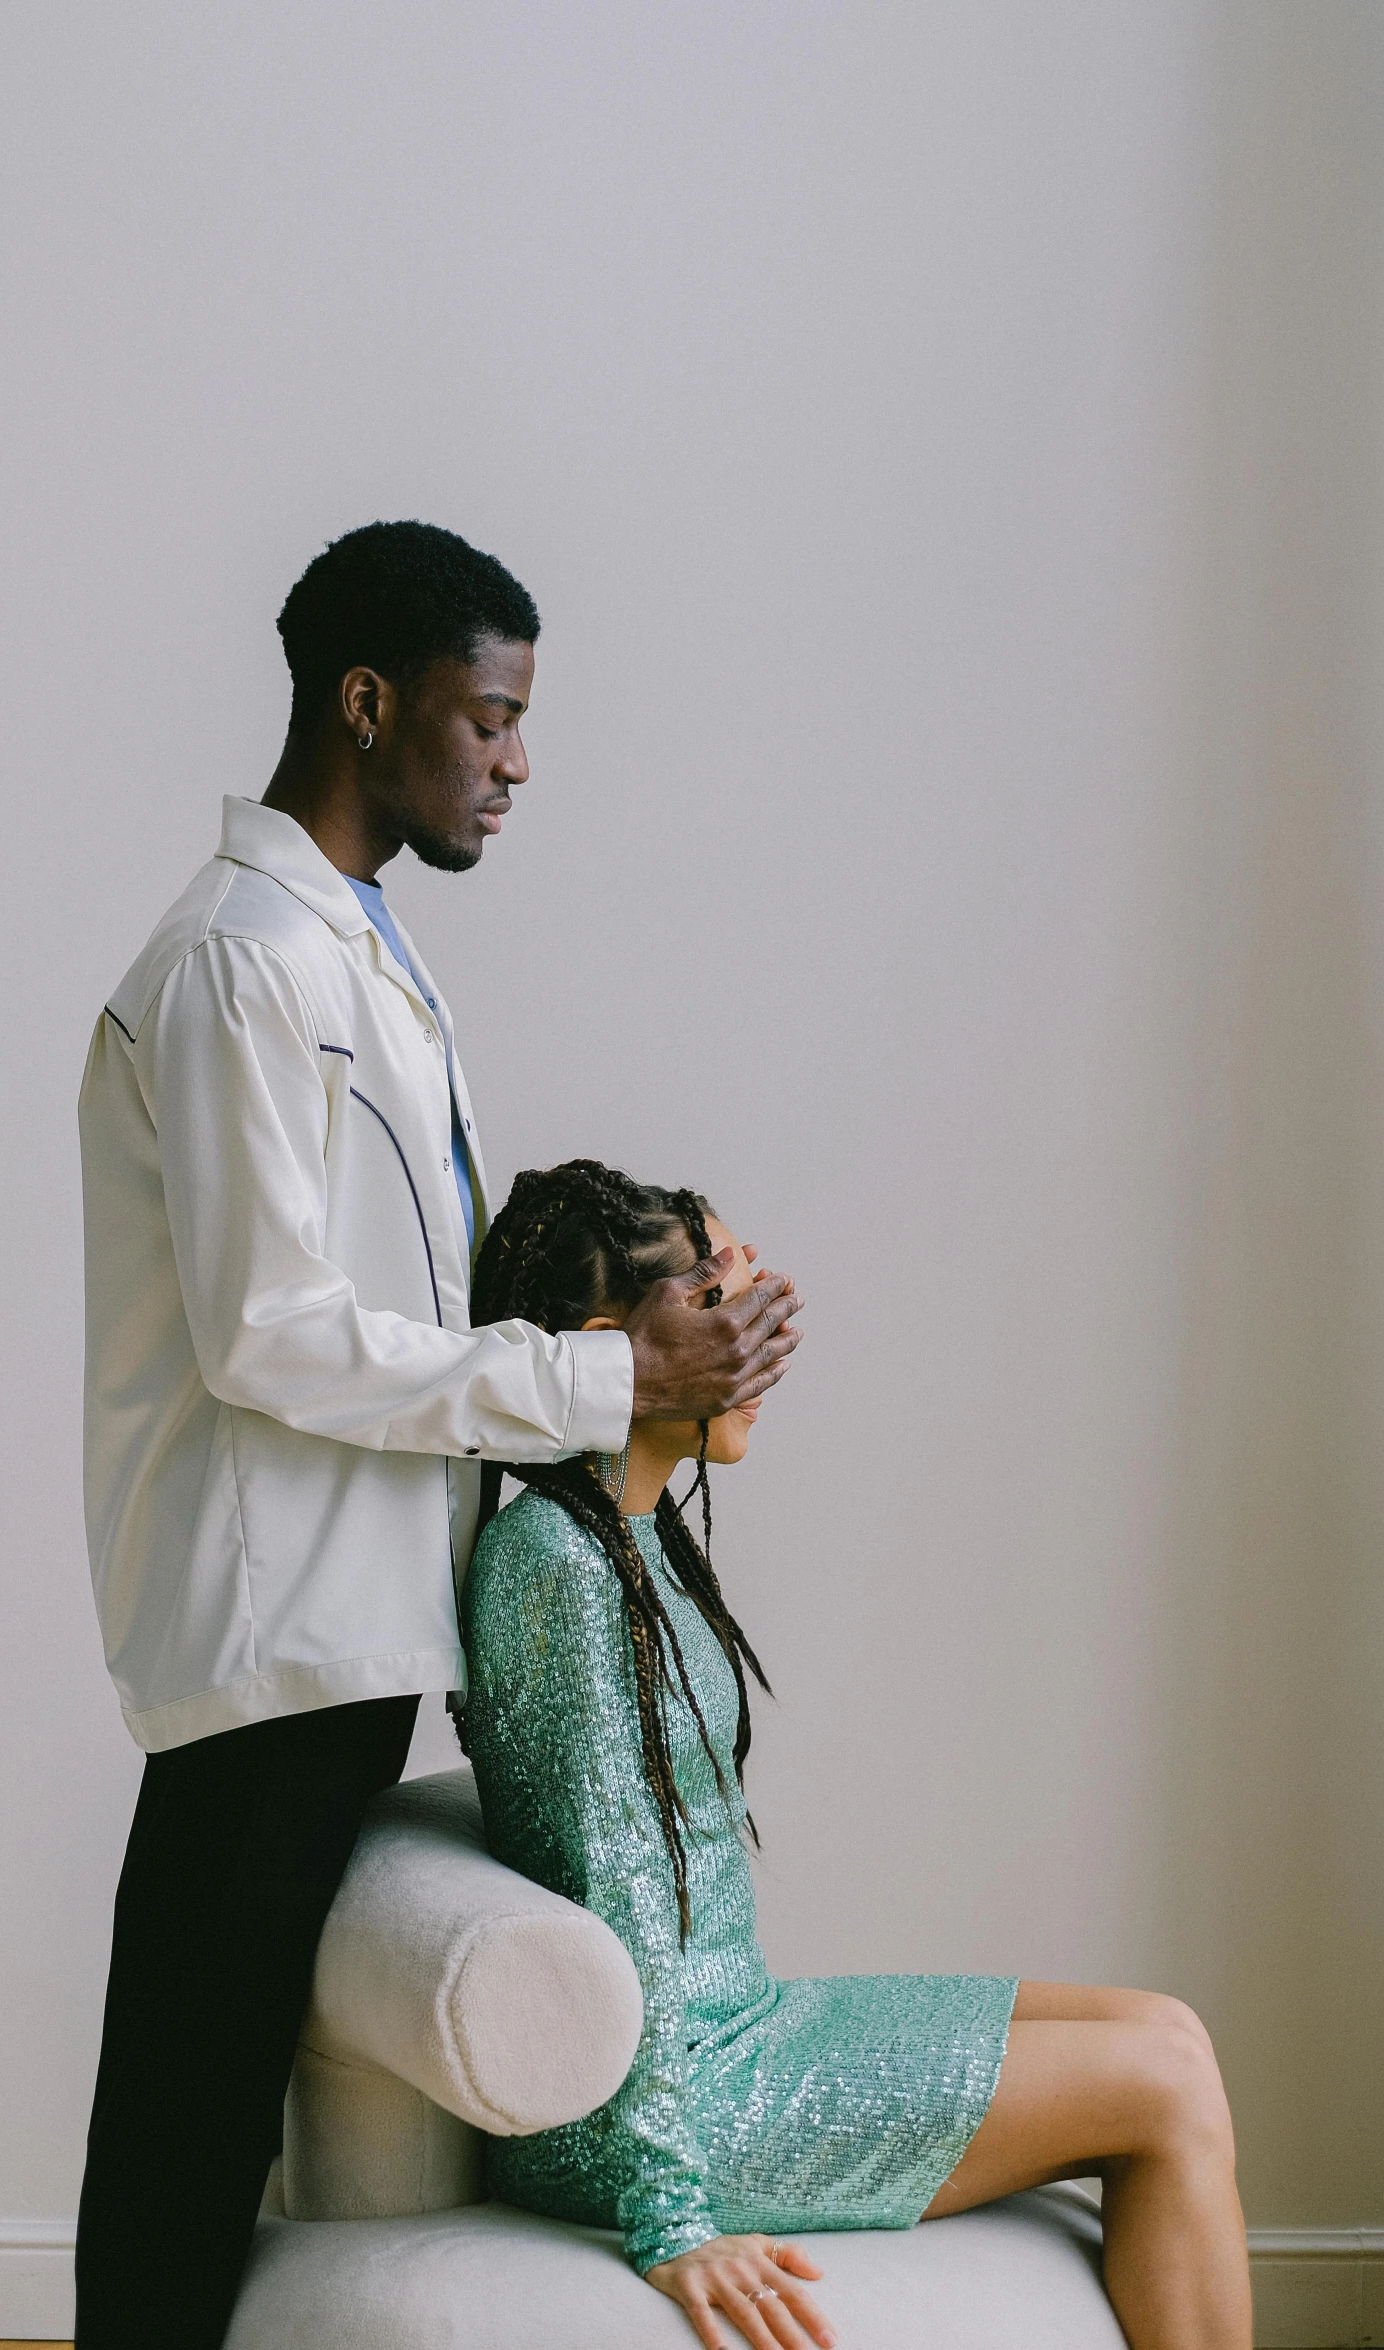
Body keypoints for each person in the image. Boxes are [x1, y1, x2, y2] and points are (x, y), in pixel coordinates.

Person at [73, 523, 803, 2350]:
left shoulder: (362, 958)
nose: (516, 760)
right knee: (182, 2125)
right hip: (274, 1631)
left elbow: (421, 1305)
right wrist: (605, 1380)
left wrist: (663, 1357)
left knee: (214, 2118)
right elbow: (273, 1334)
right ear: (367, 698)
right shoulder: (245, 965)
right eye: (489, 717)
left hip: (352, 1613)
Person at [459, 1159, 1254, 2350]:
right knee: (1168, 2089)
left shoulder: (632, 1533)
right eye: (725, 1302)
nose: (766, 1341)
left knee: (1167, 2030)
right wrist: (670, 2215)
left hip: (740, 2027)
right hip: (670, 2103)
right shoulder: (556, 1565)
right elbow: (621, 1894)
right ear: (607, 1345)